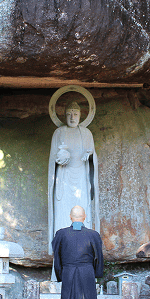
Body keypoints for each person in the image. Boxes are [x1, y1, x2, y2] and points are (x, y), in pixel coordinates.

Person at [51, 205, 104, 299]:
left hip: (68, 272)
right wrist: (95, 273)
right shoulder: (93, 235)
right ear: (84, 217)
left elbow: (57, 258)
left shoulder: (61, 234)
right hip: (87, 272)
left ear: (70, 216)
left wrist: (60, 275)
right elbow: (98, 257)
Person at [47, 101, 98, 255]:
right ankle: (62, 249)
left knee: (83, 210)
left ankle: (84, 249)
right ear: (63, 116)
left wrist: (88, 156)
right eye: (69, 114)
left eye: (75, 114)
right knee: (63, 212)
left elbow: (92, 156)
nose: (72, 117)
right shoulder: (59, 132)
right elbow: (53, 159)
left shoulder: (87, 133)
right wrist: (61, 157)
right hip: (63, 179)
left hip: (81, 179)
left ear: (81, 116)